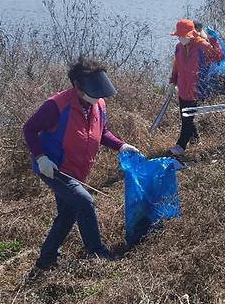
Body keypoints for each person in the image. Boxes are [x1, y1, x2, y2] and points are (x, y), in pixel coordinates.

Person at [23, 58, 139, 270]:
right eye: (94, 93)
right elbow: (29, 129)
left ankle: (46, 259)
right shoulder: (56, 106)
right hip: (54, 168)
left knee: (68, 213)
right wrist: (41, 157)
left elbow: (102, 132)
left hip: (78, 169)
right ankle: (97, 252)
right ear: (77, 86)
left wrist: (121, 146)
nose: (98, 98)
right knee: (84, 201)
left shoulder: (98, 104)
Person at [168, 18, 223, 156]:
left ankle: (181, 146)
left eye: (183, 36)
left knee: (187, 118)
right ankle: (195, 139)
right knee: (184, 116)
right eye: (178, 36)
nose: (180, 38)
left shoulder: (202, 46)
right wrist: (172, 81)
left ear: (191, 34)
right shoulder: (178, 48)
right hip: (182, 89)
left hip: (196, 89)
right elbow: (176, 66)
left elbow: (218, 57)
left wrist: (214, 40)